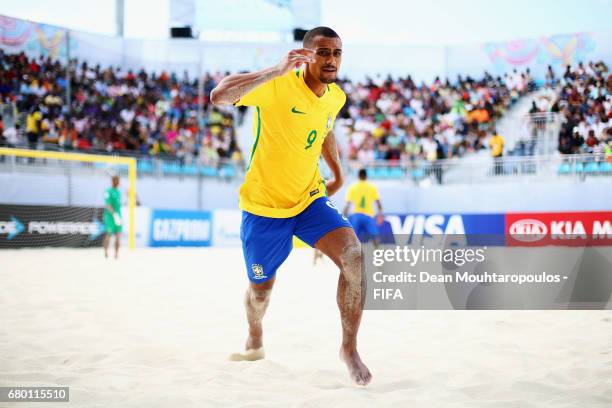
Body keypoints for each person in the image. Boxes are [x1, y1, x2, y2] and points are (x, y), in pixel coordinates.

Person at [210, 26, 372, 386]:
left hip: (309, 198)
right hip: (264, 206)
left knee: (354, 256)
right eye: (323, 52)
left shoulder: (335, 97)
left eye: (337, 53)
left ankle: (349, 348)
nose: (331, 60)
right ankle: (254, 334)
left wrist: (337, 172)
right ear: (307, 54)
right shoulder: (277, 84)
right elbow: (218, 96)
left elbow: (324, 127)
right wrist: (274, 71)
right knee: (260, 291)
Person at [343, 169, 383, 246]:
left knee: (352, 238)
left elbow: (347, 204)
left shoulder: (353, 187)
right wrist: (380, 214)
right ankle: (377, 253)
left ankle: (350, 255)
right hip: (368, 215)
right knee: (374, 237)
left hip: (356, 215)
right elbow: (378, 202)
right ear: (366, 176)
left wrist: (344, 216)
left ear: (358, 176)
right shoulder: (372, 187)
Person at [103, 175, 122, 259]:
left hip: (118, 215)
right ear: (113, 181)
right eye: (117, 181)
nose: (118, 182)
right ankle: (106, 252)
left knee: (118, 235)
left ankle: (116, 254)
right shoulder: (108, 191)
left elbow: (118, 205)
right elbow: (108, 205)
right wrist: (114, 215)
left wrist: (117, 216)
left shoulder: (119, 192)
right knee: (109, 234)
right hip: (110, 216)